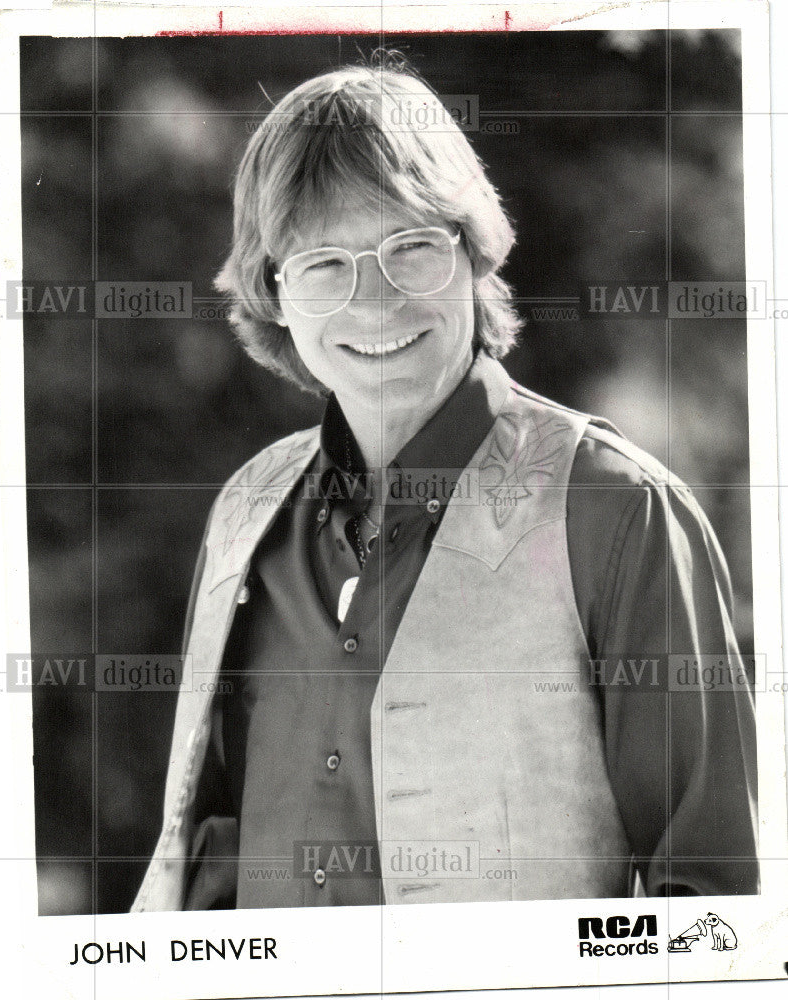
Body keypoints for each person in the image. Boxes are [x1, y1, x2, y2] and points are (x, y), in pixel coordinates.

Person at [132, 60, 758, 912]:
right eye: (324, 263)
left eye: (411, 247)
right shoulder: (246, 511)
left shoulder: (615, 509)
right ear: (274, 291)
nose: (376, 303)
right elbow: (203, 868)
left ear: (473, 251)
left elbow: (710, 908)